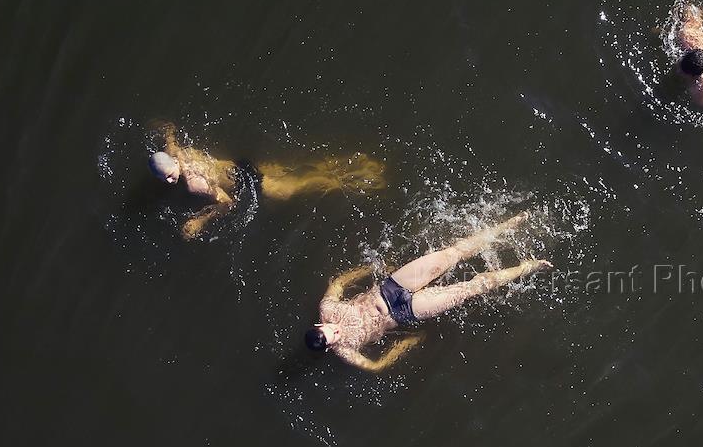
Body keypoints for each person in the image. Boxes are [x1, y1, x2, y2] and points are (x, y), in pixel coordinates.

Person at [305, 212, 552, 373]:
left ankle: (507, 225)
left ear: (320, 324)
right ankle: (527, 267)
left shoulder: (327, 308)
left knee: (451, 254)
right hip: (404, 313)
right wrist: (403, 345)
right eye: (333, 337)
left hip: (389, 288)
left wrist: (369, 269)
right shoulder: (345, 350)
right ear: (329, 347)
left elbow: (338, 283)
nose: (336, 331)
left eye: (330, 329)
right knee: (471, 288)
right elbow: (375, 365)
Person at [146, 120, 387, 238]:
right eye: (164, 179)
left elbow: (227, 202)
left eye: (169, 176)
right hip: (240, 165)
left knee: (301, 186)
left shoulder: (193, 184)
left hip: (251, 182)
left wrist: (200, 221)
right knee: (292, 171)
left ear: (172, 165)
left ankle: (353, 179)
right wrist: (165, 128)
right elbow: (169, 132)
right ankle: (339, 163)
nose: (169, 182)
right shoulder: (177, 153)